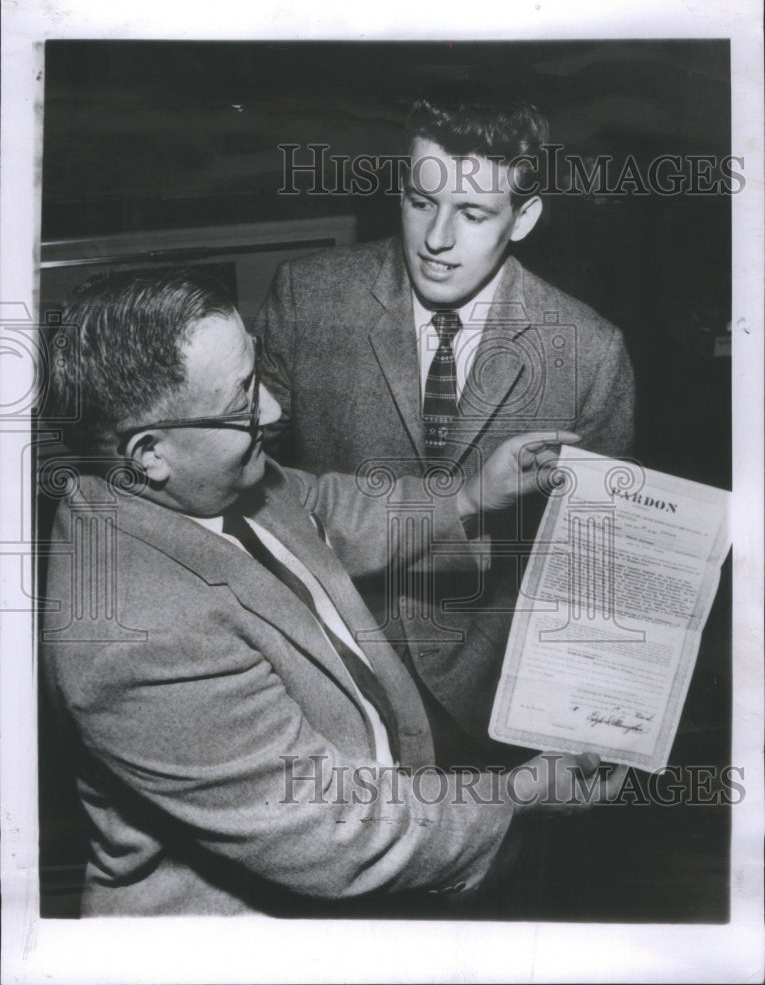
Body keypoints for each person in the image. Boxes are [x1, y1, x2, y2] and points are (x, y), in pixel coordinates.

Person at [40, 268, 623, 918]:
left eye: (257, 376)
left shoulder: (201, 480)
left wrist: (468, 496)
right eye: (242, 401)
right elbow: (339, 834)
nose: (272, 410)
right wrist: (517, 793)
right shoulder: (137, 640)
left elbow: (318, 506)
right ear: (149, 453)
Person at [254, 93, 636, 760]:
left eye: (473, 213)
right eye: (420, 201)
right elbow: (244, 492)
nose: (435, 239)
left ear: (524, 218)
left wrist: (585, 732)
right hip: (325, 678)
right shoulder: (307, 298)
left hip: (489, 705)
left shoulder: (588, 350)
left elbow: (595, 570)